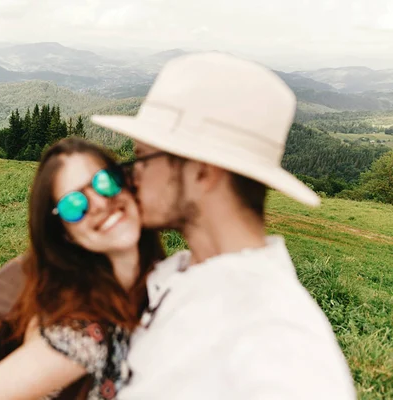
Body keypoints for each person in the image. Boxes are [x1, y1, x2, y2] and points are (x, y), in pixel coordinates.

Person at [91, 52, 356, 399]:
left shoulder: (278, 339)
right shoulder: (179, 274)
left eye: (143, 157)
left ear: (203, 172)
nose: (132, 174)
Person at [0, 137, 164, 400]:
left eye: (104, 181)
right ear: (66, 235)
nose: (99, 203)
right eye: (74, 205)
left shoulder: (156, 277)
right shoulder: (80, 332)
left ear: (127, 182)